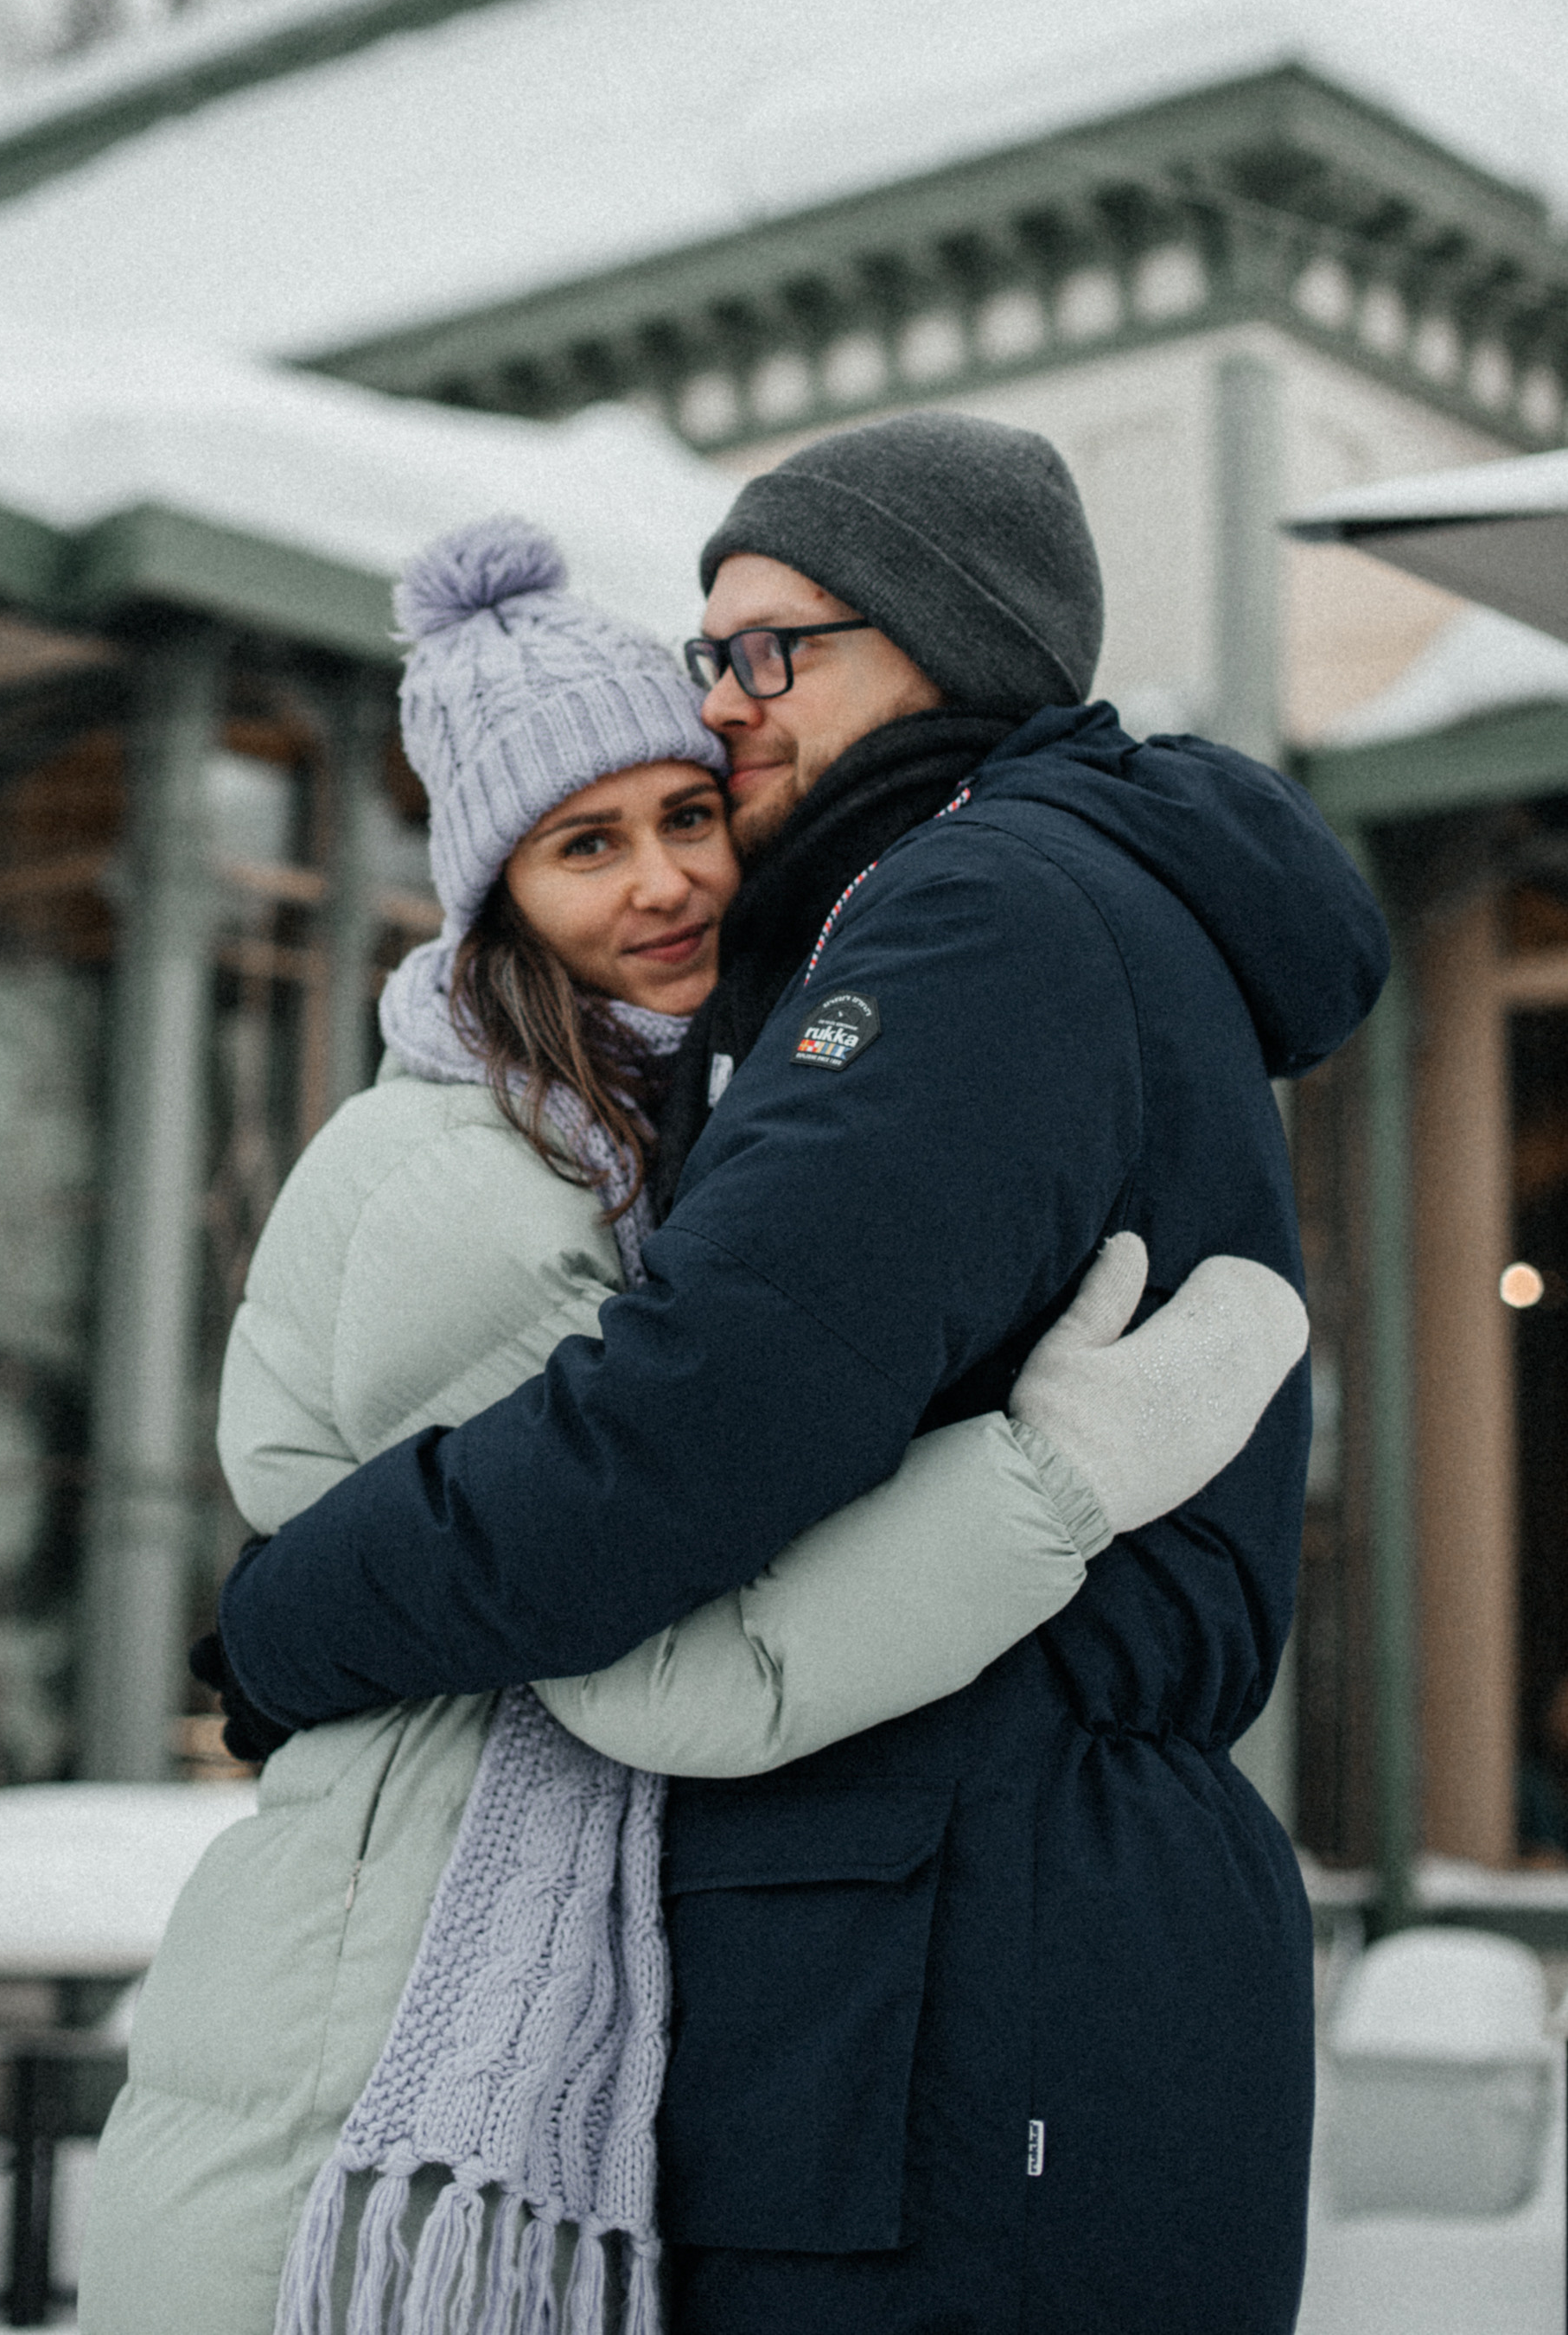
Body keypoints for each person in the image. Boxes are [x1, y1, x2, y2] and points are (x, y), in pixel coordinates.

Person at [202, 415, 1390, 2335]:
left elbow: (698, 1416)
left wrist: (296, 1611)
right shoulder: (993, 905)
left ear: (951, 638)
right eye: (711, 649)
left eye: (778, 646)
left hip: (966, 1959)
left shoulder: (978, 910)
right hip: (989, 1940)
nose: (729, 703)